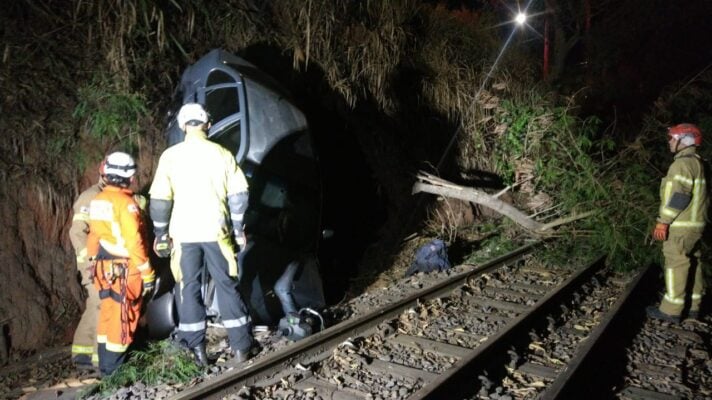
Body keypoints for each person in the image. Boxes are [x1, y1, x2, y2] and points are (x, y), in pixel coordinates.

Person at [149, 103, 256, 366]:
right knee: (227, 285)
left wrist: (161, 233)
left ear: (183, 126)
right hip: (216, 231)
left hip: (183, 234)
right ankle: (242, 348)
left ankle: (196, 350)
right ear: (207, 124)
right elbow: (239, 195)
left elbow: (160, 200)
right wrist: (239, 228)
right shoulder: (222, 154)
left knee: (188, 288)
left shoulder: (170, 157)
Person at [87, 151, 155, 376]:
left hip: (103, 268)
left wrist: (91, 260)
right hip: (126, 269)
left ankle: (106, 366)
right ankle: (116, 371)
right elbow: (134, 242)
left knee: (108, 315)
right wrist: (148, 273)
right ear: (130, 177)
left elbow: (94, 236)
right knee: (123, 317)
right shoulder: (126, 204)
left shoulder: (97, 201)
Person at [648, 123, 708, 323]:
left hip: (681, 226)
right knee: (694, 262)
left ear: (685, 140)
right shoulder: (699, 163)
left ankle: (671, 310)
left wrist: (663, 221)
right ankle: (693, 307)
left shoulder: (682, 165)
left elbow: (679, 196)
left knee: (676, 262)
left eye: (673, 138)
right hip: (696, 225)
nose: (670, 142)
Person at [69, 175, 105, 370]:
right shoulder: (90, 197)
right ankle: (101, 360)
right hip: (92, 263)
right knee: (102, 304)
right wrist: (88, 260)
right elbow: (76, 232)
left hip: (98, 261)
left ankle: (82, 354)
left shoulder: (106, 195)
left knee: (94, 305)